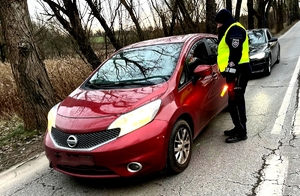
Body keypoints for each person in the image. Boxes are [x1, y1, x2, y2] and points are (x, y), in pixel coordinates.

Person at [215, 9, 252, 143]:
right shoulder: (229, 30)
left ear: (224, 21)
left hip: (239, 71)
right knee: (232, 102)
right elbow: (224, 52)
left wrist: (230, 71)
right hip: (235, 71)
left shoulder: (234, 29)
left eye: (219, 23)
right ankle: (238, 127)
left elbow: (236, 53)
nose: (217, 26)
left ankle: (242, 132)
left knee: (237, 101)